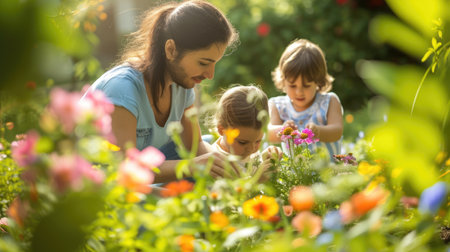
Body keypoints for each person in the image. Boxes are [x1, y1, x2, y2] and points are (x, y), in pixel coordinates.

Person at [82, 0, 239, 183]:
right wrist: (194, 165)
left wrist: (236, 167)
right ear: (171, 49)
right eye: (203, 63)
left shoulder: (183, 86)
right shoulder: (123, 90)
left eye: (214, 64)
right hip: (97, 186)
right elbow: (124, 168)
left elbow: (195, 148)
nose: (210, 75)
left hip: (140, 176)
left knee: (211, 157)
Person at [267, 39, 343, 159]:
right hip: (296, 175)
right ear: (283, 80)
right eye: (292, 85)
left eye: (306, 86)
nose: (299, 92)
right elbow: (269, 133)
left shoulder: (329, 101)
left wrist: (318, 132)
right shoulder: (277, 105)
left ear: (318, 81)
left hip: (327, 172)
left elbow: (337, 131)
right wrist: (282, 130)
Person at [209, 85, 282, 179]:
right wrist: (256, 181)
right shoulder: (217, 163)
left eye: (258, 141)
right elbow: (231, 192)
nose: (252, 149)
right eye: (242, 142)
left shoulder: (245, 152)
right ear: (222, 130)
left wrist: (267, 158)